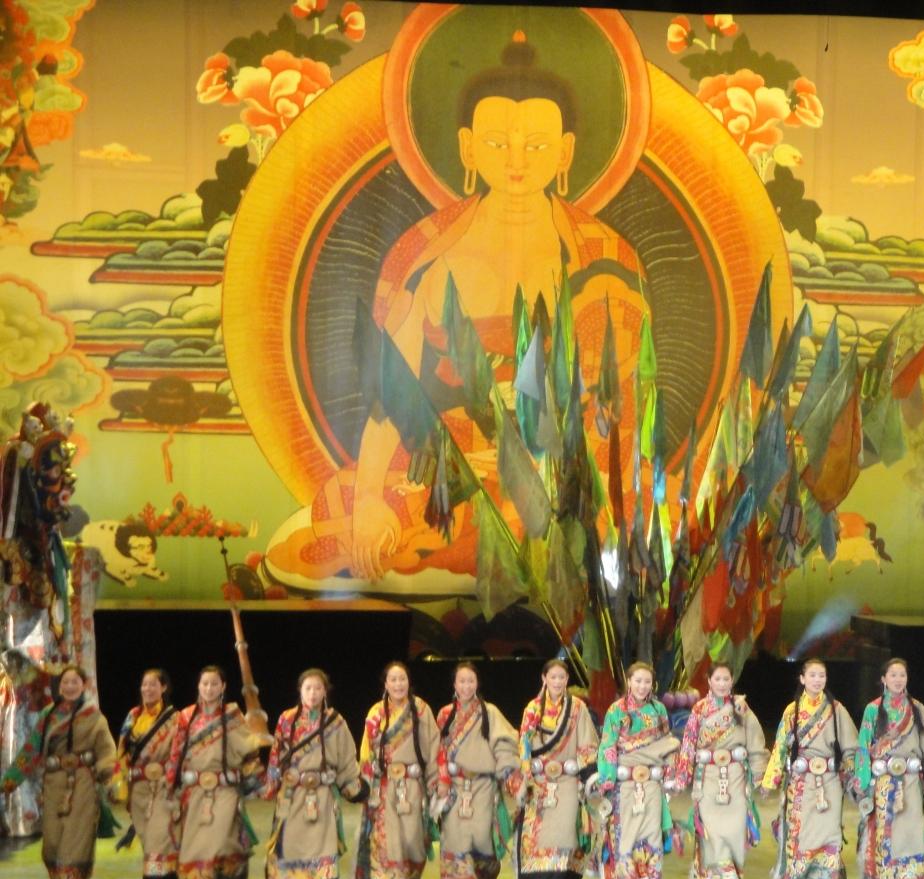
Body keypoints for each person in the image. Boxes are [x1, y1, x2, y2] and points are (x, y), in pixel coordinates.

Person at [268, 32, 649, 584]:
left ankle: (470, 543)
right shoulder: (428, 252)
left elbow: (622, 407)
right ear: (467, 148)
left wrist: (559, 468)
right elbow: (391, 399)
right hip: (452, 466)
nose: (516, 161)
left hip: (562, 463)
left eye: (536, 146)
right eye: (496, 143)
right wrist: (371, 498)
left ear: (565, 152)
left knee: (595, 511)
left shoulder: (605, 255)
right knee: (345, 500)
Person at [1, 664, 114, 879]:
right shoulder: (48, 715)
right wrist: (9, 781)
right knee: (52, 840)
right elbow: (30, 751)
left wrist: (110, 778)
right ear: (59, 686)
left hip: (82, 783)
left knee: (75, 836)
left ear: (84, 686)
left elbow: (106, 751)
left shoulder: (94, 717)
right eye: (65, 682)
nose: (70, 686)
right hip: (53, 784)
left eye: (75, 682)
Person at [261, 668, 367, 879]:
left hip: (321, 795)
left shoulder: (335, 722)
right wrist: (271, 786)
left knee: (321, 845)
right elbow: (276, 757)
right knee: (290, 844)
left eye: (318, 688)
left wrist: (355, 788)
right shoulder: (287, 719)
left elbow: (346, 759)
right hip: (292, 794)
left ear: (325, 691)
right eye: (308, 688)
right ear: (300, 691)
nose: (313, 693)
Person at [167, 665, 265, 879]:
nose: (209, 688)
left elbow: (248, 750)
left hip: (224, 790)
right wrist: (170, 787)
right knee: (195, 845)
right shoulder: (186, 717)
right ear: (198, 686)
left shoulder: (232, 717)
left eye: (214, 684)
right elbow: (176, 753)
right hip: (194, 791)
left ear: (223, 687)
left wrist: (256, 781)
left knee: (224, 843)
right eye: (205, 684)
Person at [855, 657, 924, 879]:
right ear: (883, 679)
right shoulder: (873, 710)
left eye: (902, 675)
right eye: (893, 675)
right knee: (884, 837)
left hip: (910, 783)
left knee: (912, 835)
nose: (898, 680)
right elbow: (863, 747)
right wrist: (862, 784)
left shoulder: (917, 709)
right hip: (883, 784)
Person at [760, 658, 858, 879]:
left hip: (829, 782)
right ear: (802, 679)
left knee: (830, 833)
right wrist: (770, 780)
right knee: (801, 835)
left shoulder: (836, 709)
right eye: (812, 675)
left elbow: (851, 747)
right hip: (801, 783)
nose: (817, 680)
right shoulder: (792, 711)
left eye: (821, 675)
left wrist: (853, 777)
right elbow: (781, 747)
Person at [671, 661, 768, 879]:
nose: (722, 684)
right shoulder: (699, 710)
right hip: (709, 777)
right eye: (718, 679)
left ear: (732, 681)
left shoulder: (741, 708)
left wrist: (760, 776)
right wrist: (681, 778)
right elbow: (688, 745)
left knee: (734, 831)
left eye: (726, 679)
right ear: (709, 681)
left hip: (735, 776)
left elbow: (755, 742)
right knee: (711, 831)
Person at [352, 661, 441, 879]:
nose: (398, 684)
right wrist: (367, 785)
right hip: (384, 786)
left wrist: (435, 781)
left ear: (409, 682)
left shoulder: (421, 709)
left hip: (413, 786)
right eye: (393, 679)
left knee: (414, 840)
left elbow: (434, 746)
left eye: (402, 679)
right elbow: (367, 751)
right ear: (385, 683)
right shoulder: (376, 712)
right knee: (385, 840)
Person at [595, 660, 680, 879]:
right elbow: (608, 746)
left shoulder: (659, 709)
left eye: (647, 682)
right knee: (625, 835)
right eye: (638, 681)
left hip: (651, 782)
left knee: (651, 833)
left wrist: (670, 774)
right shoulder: (616, 710)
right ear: (629, 682)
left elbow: (667, 743)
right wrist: (607, 779)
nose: (643, 686)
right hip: (624, 784)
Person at [434, 661, 520, 879]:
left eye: (470, 681)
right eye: (461, 681)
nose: (466, 686)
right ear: (454, 684)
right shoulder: (444, 714)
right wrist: (441, 779)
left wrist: (508, 772)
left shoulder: (489, 712)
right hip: (454, 785)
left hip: (483, 786)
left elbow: (505, 743)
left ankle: (481, 878)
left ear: (477, 683)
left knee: (482, 837)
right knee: (454, 836)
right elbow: (437, 749)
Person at [513, 659, 599, 879]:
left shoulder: (577, 708)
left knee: (567, 833)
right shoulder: (533, 708)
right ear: (544, 679)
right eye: (553, 677)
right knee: (537, 834)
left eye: (562, 677)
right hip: (540, 781)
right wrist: (526, 775)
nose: (558, 682)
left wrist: (588, 776)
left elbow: (587, 743)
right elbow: (524, 743)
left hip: (568, 779)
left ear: (567, 680)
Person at [113, 668, 180, 879]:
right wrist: (120, 785)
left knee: (159, 837)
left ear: (164, 688)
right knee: (147, 839)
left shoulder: (174, 719)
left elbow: (180, 752)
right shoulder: (133, 716)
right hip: (138, 788)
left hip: (163, 786)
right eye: (145, 684)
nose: (148, 689)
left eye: (153, 684)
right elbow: (122, 750)